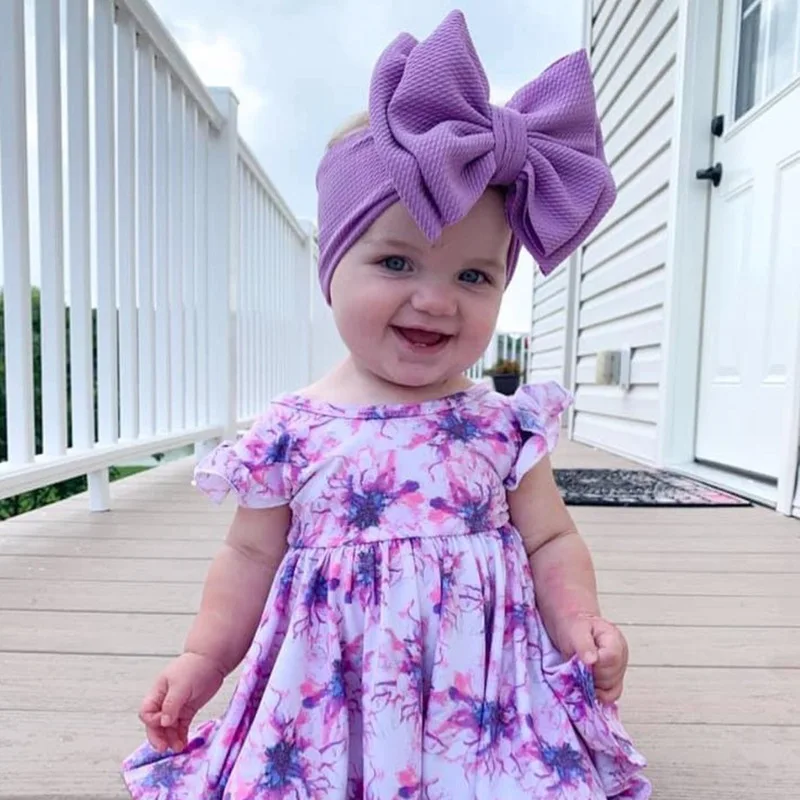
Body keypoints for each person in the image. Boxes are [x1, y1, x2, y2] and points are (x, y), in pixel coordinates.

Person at [122, 11, 651, 799]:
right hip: (332, 709)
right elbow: (249, 558)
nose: (435, 299)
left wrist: (580, 623)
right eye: (397, 262)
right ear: (332, 265)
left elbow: (549, 539)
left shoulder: (502, 423)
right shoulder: (292, 430)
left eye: (474, 276)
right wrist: (204, 659)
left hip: (482, 708)